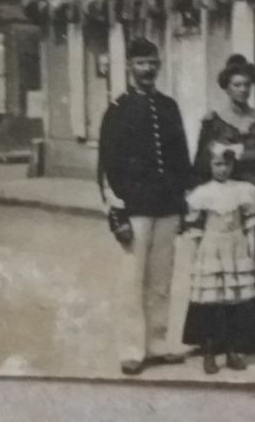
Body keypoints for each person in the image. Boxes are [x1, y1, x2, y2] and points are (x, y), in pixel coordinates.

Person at [182, 54, 255, 352]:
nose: (243, 90)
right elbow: (202, 163)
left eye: (247, 85)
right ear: (226, 88)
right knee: (223, 258)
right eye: (237, 85)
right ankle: (218, 336)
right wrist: (198, 202)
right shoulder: (213, 121)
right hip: (223, 195)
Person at [96, 37, 190, 376]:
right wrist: (116, 213)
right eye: (141, 63)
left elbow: (181, 160)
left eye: (152, 62)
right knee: (132, 281)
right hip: (134, 207)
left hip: (167, 206)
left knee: (161, 280)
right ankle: (132, 349)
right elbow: (107, 168)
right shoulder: (118, 110)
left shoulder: (168, 107)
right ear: (130, 67)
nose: (148, 69)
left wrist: (182, 203)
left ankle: (158, 344)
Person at [182, 143, 255, 374]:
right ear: (210, 165)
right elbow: (195, 230)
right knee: (211, 304)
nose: (222, 169)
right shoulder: (203, 193)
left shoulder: (243, 190)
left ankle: (232, 351)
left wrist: (251, 253)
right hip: (212, 248)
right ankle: (209, 353)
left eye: (227, 164)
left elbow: (250, 225)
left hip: (235, 247)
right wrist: (196, 259)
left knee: (233, 304)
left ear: (233, 164)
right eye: (217, 164)